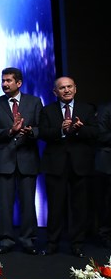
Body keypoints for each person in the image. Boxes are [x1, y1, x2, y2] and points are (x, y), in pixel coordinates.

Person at [0, 67, 42, 255]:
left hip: (27, 158)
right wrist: (10, 131)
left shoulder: (34, 102)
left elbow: (42, 127)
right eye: (3, 80)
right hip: (4, 160)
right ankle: (6, 240)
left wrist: (30, 131)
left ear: (19, 83)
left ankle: (28, 240)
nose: (4, 84)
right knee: (4, 204)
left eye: (8, 80)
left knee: (28, 203)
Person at [39, 76, 98, 257]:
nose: (66, 90)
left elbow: (96, 132)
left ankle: (77, 244)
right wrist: (61, 130)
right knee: (55, 207)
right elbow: (43, 133)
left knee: (79, 207)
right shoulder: (47, 110)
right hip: (55, 165)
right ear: (55, 92)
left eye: (69, 87)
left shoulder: (87, 109)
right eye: (62, 88)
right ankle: (52, 243)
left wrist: (79, 129)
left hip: (80, 165)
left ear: (75, 89)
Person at [95, 101, 111, 249]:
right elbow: (100, 135)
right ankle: (105, 235)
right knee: (106, 202)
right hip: (107, 163)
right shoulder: (105, 108)